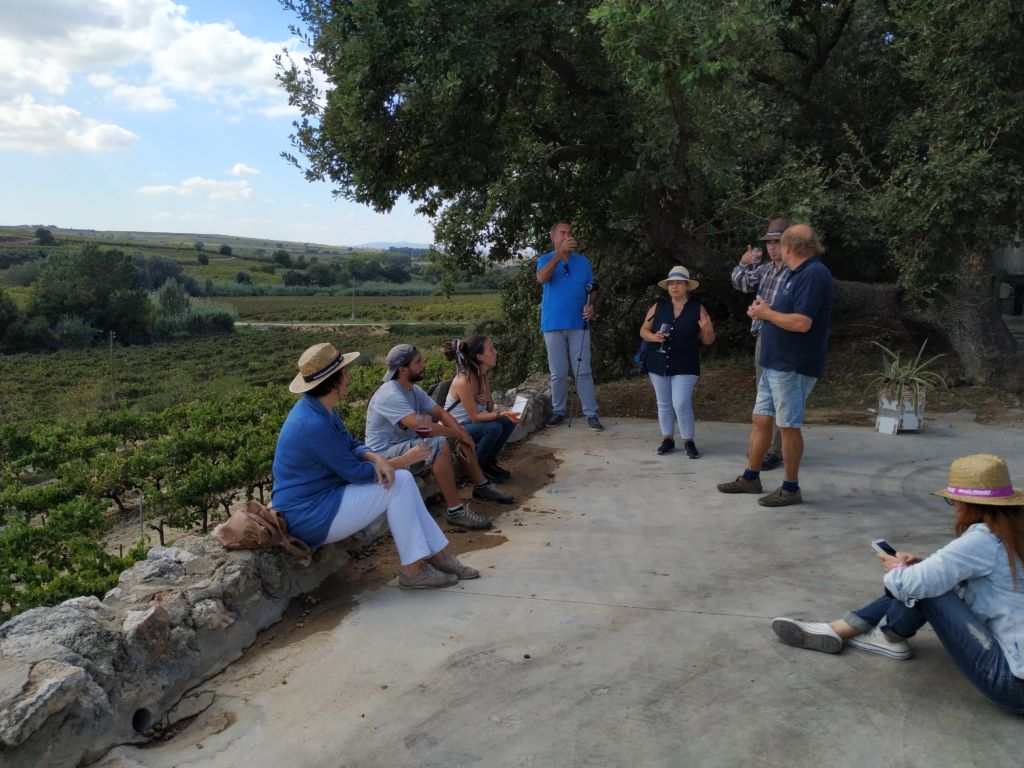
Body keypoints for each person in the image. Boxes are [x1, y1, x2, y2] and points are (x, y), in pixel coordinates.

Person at [771, 453, 1024, 714]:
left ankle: (882, 634)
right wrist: (919, 567)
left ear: (966, 503)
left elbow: (911, 585)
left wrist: (898, 569)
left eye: (953, 501)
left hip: (1012, 685)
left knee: (921, 585)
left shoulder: (984, 539)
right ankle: (848, 629)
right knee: (928, 579)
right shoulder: (1016, 533)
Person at [271, 342, 478, 590]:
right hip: (310, 515)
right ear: (335, 382)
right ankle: (415, 569)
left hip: (324, 498)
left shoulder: (319, 409)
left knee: (402, 480)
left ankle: (436, 556)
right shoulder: (312, 424)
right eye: (345, 372)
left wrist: (376, 457)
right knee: (400, 482)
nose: (349, 376)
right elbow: (355, 473)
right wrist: (403, 460)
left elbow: (351, 444)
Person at [717, 224, 834, 507]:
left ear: (790, 247)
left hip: (792, 364)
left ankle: (791, 487)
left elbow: (802, 322)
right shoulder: (793, 274)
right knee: (761, 419)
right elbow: (779, 312)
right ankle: (750, 477)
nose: (774, 248)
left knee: (788, 425)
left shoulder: (814, 275)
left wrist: (766, 313)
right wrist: (762, 311)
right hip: (774, 362)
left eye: (778, 243)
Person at [364, 343, 513, 532]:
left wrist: (462, 435)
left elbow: (441, 413)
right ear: (403, 369)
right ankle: (455, 510)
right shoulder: (390, 394)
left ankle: (481, 485)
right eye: (418, 362)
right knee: (439, 443)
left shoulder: (413, 390)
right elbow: (421, 426)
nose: (424, 364)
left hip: (406, 444)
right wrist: (458, 433)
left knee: (458, 436)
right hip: (385, 454)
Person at [730, 217, 791, 471]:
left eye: (777, 242)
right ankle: (763, 446)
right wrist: (744, 264)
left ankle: (778, 450)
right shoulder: (766, 269)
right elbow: (740, 282)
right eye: (769, 242)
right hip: (763, 337)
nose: (772, 247)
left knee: (783, 394)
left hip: (786, 337)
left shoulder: (797, 271)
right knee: (763, 393)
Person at [638, 266, 715, 458]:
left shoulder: (698, 308)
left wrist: (707, 329)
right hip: (658, 360)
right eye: (671, 283)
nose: (674, 286)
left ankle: (688, 440)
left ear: (687, 286)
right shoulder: (658, 306)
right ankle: (668, 439)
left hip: (686, 362)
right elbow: (643, 331)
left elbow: (708, 340)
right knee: (663, 402)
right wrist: (654, 337)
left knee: (680, 402)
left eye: (679, 282)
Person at [536, 220, 604, 431]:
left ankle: (591, 414)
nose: (567, 236)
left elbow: (592, 289)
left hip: (578, 324)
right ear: (553, 237)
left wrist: (590, 305)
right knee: (558, 372)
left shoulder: (583, 262)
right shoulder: (545, 259)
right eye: (562, 233)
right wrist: (559, 255)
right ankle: (558, 412)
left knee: (583, 370)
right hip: (553, 324)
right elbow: (541, 278)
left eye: (570, 233)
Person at [442, 335, 517, 484]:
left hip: (469, 423)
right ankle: (477, 468)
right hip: (454, 427)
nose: (495, 352)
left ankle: (488, 462)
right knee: (493, 427)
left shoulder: (482, 375)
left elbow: (489, 407)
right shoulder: (464, 381)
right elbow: (476, 417)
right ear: (480, 356)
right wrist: (501, 413)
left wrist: (488, 400)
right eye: (491, 349)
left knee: (509, 421)